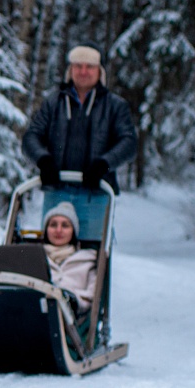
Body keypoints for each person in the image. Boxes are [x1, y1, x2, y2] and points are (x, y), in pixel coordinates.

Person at [22, 43, 137, 192]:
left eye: (89, 66)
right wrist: (43, 160)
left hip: (96, 193)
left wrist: (104, 164)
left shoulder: (115, 106)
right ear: (71, 69)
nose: (83, 72)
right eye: (78, 66)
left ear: (99, 71)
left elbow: (129, 143)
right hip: (56, 190)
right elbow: (31, 136)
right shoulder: (54, 102)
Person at [42, 202, 98, 314]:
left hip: (68, 319)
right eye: (53, 225)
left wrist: (71, 298)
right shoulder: (34, 257)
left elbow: (90, 297)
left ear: (73, 231)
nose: (58, 230)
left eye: (65, 225)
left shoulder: (87, 261)